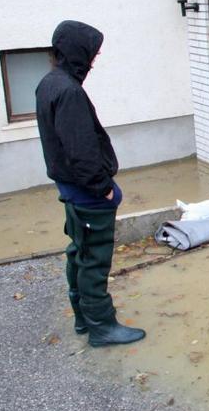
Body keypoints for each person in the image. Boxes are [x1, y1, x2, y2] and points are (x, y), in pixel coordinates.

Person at [35, 20, 146, 347]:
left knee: (79, 251)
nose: (94, 61)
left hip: (70, 187)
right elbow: (80, 150)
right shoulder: (69, 92)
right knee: (94, 259)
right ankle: (102, 327)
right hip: (87, 191)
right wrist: (104, 188)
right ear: (77, 52)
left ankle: (84, 317)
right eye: (92, 54)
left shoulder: (49, 83)